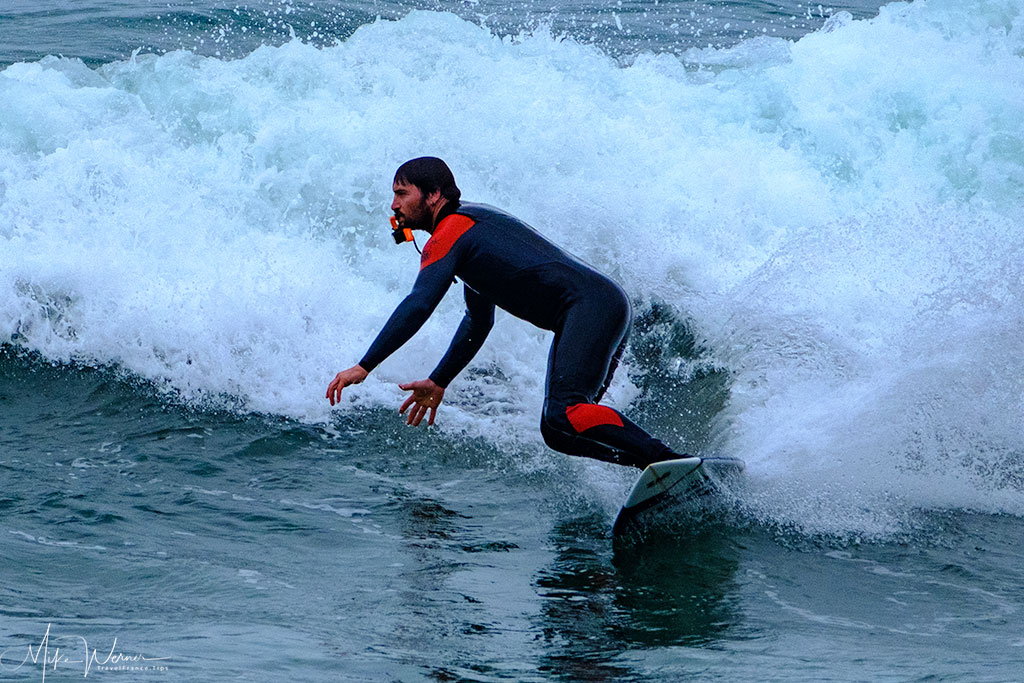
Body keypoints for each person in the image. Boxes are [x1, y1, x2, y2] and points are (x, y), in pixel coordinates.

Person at [326, 157, 679, 469]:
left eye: (402, 193)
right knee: (557, 430)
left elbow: (419, 303)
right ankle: (654, 469)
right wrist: (439, 381)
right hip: (599, 306)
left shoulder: (452, 231)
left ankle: (667, 460)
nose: (394, 205)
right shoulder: (468, 232)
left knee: (566, 412)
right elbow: (479, 321)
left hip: (591, 306)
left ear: (433, 194)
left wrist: (365, 365)